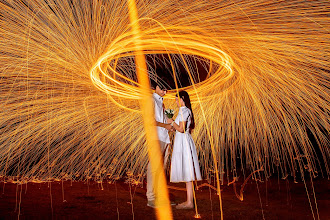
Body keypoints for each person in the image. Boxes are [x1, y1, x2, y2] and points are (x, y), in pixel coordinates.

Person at [167, 90, 202, 209]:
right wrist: (173, 126)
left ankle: (189, 202)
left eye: (177, 99)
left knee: (187, 170)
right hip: (182, 141)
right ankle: (189, 201)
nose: (176, 101)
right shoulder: (184, 111)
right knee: (187, 171)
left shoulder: (184, 110)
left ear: (182, 98)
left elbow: (181, 129)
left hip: (184, 142)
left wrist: (172, 122)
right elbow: (180, 128)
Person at [146, 79, 172, 208]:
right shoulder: (151, 100)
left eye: (167, 90)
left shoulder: (161, 102)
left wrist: (173, 123)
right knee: (153, 167)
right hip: (156, 137)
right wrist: (166, 125)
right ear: (156, 87)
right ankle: (151, 198)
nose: (165, 92)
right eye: (163, 89)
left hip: (165, 138)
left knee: (161, 169)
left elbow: (168, 118)